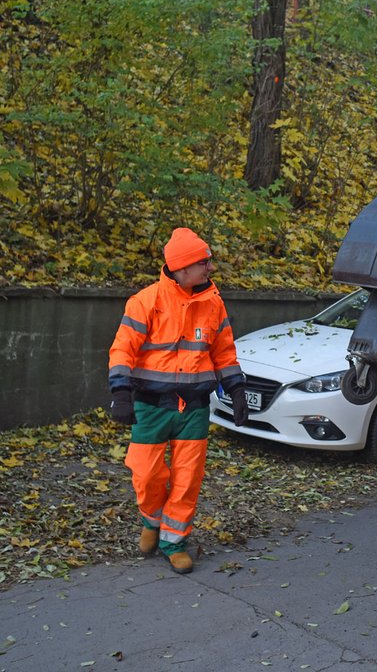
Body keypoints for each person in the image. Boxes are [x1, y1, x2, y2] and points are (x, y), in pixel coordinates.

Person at [108, 227, 249, 574]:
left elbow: (224, 352)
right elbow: (123, 348)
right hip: (151, 406)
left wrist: (237, 389)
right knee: (146, 474)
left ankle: (175, 542)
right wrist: (120, 393)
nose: (211, 269)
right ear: (183, 267)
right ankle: (151, 521)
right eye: (205, 262)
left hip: (194, 407)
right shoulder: (146, 302)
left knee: (187, 479)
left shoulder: (213, 303)